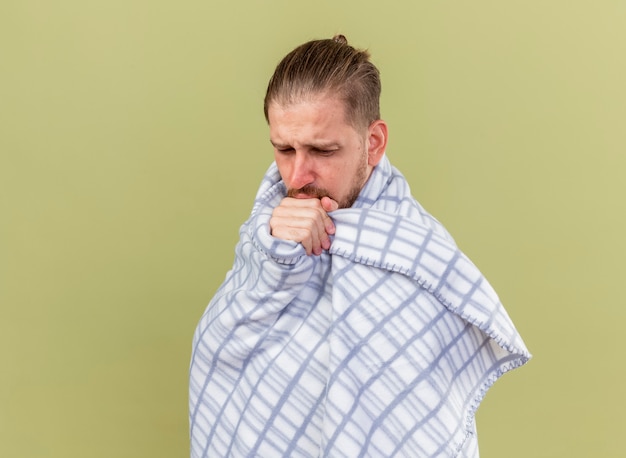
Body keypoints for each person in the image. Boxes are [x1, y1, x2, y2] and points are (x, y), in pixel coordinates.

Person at [189, 35, 530, 457]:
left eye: (322, 150)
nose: (296, 177)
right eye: (283, 149)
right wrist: (273, 253)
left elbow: (411, 435)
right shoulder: (267, 227)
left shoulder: (416, 258)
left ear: (373, 143)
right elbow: (218, 355)